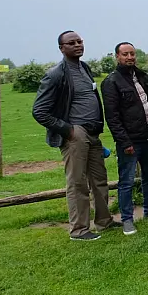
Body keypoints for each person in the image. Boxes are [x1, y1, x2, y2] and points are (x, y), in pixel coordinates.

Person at [32, 30, 116, 241]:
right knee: (77, 182)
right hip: (75, 133)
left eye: (80, 41)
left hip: (93, 132)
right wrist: (68, 130)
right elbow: (39, 111)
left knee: (99, 179)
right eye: (72, 43)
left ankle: (104, 222)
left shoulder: (84, 68)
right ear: (62, 48)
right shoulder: (56, 74)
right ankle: (79, 230)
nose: (78, 45)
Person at [101, 41, 148, 235]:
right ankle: (127, 219)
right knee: (127, 180)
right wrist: (124, 141)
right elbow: (112, 116)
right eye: (125, 54)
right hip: (130, 140)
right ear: (117, 57)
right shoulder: (111, 82)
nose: (130, 57)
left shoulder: (142, 76)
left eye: (132, 54)